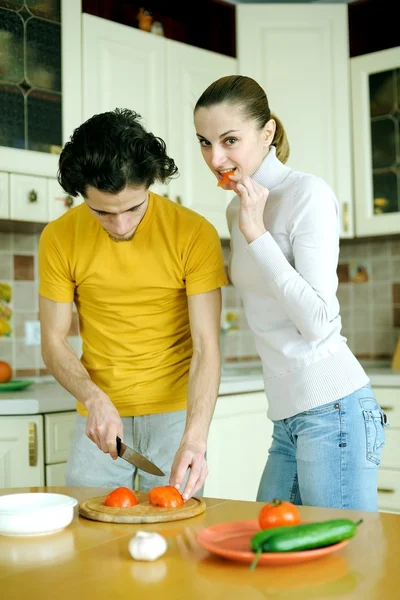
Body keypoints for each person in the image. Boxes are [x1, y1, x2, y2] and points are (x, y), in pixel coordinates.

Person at [193, 75, 387, 511]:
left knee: (340, 566)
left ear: (267, 134)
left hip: (332, 409)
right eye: (204, 143)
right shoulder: (235, 209)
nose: (216, 157)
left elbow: (318, 323)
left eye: (229, 140)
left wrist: (258, 234)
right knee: (270, 552)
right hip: (287, 415)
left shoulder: (307, 194)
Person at [38, 108, 228, 500]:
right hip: (99, 417)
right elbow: (53, 341)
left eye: (133, 208)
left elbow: (207, 346)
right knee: (88, 539)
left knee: (178, 541)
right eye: (103, 212)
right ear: (80, 195)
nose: (121, 225)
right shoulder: (58, 238)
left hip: (178, 416)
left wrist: (195, 438)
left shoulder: (194, 234)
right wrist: (93, 398)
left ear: (151, 183)